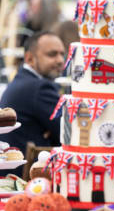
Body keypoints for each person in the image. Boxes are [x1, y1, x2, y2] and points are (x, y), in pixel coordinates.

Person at [0, 31, 65, 176]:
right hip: (27, 179)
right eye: (52, 54)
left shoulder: (23, 81)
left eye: (62, 54)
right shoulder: (38, 87)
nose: (60, 60)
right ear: (30, 58)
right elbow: (66, 133)